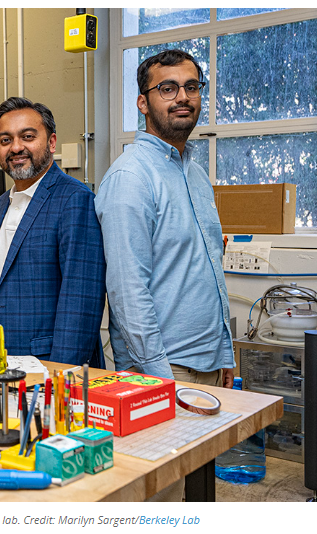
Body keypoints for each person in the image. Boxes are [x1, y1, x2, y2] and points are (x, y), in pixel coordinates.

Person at [95, 50, 235, 500]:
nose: (182, 98)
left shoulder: (194, 174)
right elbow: (127, 292)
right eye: (167, 88)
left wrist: (223, 353)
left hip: (205, 364)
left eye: (192, 87)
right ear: (143, 103)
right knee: (158, 501)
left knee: (194, 494)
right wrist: (161, 381)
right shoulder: (131, 177)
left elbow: (209, 268)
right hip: (162, 370)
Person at [0, 97, 106, 367]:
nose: (16, 147)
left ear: (51, 142)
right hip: (0, 360)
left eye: (27, 136)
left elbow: (81, 303)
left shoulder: (75, 199)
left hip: (48, 366)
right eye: (5, 140)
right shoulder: (1, 205)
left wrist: (62, 376)